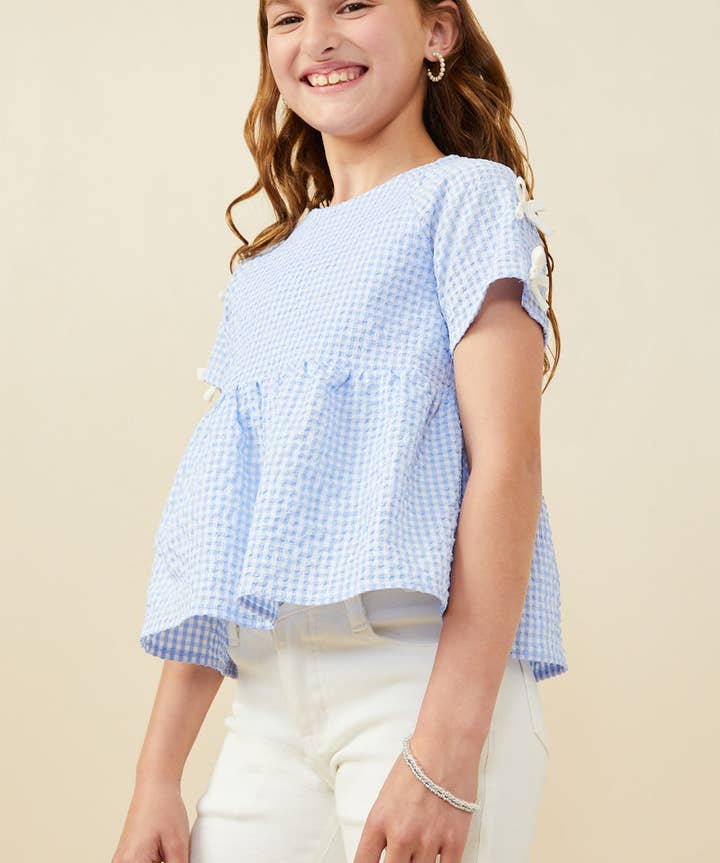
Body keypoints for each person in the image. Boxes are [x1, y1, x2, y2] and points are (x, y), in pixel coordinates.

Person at [113, 1, 568, 861]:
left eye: (353, 4)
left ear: (438, 32)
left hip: (419, 676)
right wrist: (156, 775)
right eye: (288, 16)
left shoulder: (468, 201)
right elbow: (224, 534)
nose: (318, 36)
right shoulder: (262, 273)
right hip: (267, 698)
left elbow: (507, 468)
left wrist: (444, 751)